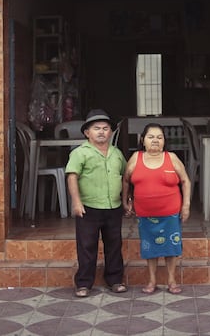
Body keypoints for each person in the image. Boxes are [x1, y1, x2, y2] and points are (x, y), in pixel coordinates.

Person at [122, 122, 191, 295]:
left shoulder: (172, 158)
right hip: (145, 215)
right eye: (151, 137)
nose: (155, 141)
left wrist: (186, 206)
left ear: (164, 141)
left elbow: (185, 181)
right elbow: (126, 181)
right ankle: (152, 281)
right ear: (142, 140)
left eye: (159, 137)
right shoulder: (135, 158)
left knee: (171, 248)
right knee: (150, 248)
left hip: (170, 214)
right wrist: (127, 200)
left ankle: (171, 280)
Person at [66, 109, 128, 298]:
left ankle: (115, 280)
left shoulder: (117, 153)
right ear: (87, 133)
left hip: (113, 207)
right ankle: (84, 283)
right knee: (87, 246)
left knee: (114, 245)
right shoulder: (80, 153)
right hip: (88, 208)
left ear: (111, 132)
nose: (101, 131)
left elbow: (125, 176)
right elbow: (72, 177)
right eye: (96, 128)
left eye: (105, 128)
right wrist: (76, 202)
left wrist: (126, 201)